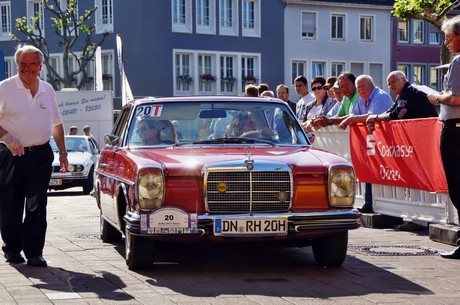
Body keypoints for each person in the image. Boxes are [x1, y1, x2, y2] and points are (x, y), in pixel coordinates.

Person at [0, 45, 68, 267]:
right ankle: (12, 249)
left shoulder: (47, 89)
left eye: (31, 64)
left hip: (41, 154)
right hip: (10, 155)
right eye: (22, 64)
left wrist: (64, 153)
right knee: (11, 204)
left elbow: (56, 123)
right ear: (17, 64)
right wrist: (7, 137)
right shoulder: (5, 88)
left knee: (37, 203)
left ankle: (34, 252)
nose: (26, 68)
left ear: (40, 67)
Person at [367, 71, 438, 231]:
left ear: (403, 80)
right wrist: (376, 117)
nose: (391, 86)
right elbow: (392, 110)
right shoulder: (405, 93)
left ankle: (421, 220)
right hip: (419, 141)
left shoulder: (410, 92)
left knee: (420, 179)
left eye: (393, 82)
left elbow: (395, 114)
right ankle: (419, 218)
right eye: (388, 84)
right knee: (415, 179)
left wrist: (375, 118)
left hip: (423, 140)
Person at [426, 16, 460, 259]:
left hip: (455, 128)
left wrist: (438, 97)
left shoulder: (458, 61)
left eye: (448, 37)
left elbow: (456, 98)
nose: (446, 42)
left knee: (457, 185)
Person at [338, 74, 393, 214]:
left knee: (383, 173)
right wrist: (351, 119)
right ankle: (369, 202)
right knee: (369, 169)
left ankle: (388, 209)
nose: (361, 90)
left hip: (388, 143)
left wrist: (350, 120)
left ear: (372, 85)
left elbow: (370, 117)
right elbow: (354, 115)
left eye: (363, 86)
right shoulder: (362, 100)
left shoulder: (380, 96)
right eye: (359, 87)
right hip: (372, 144)